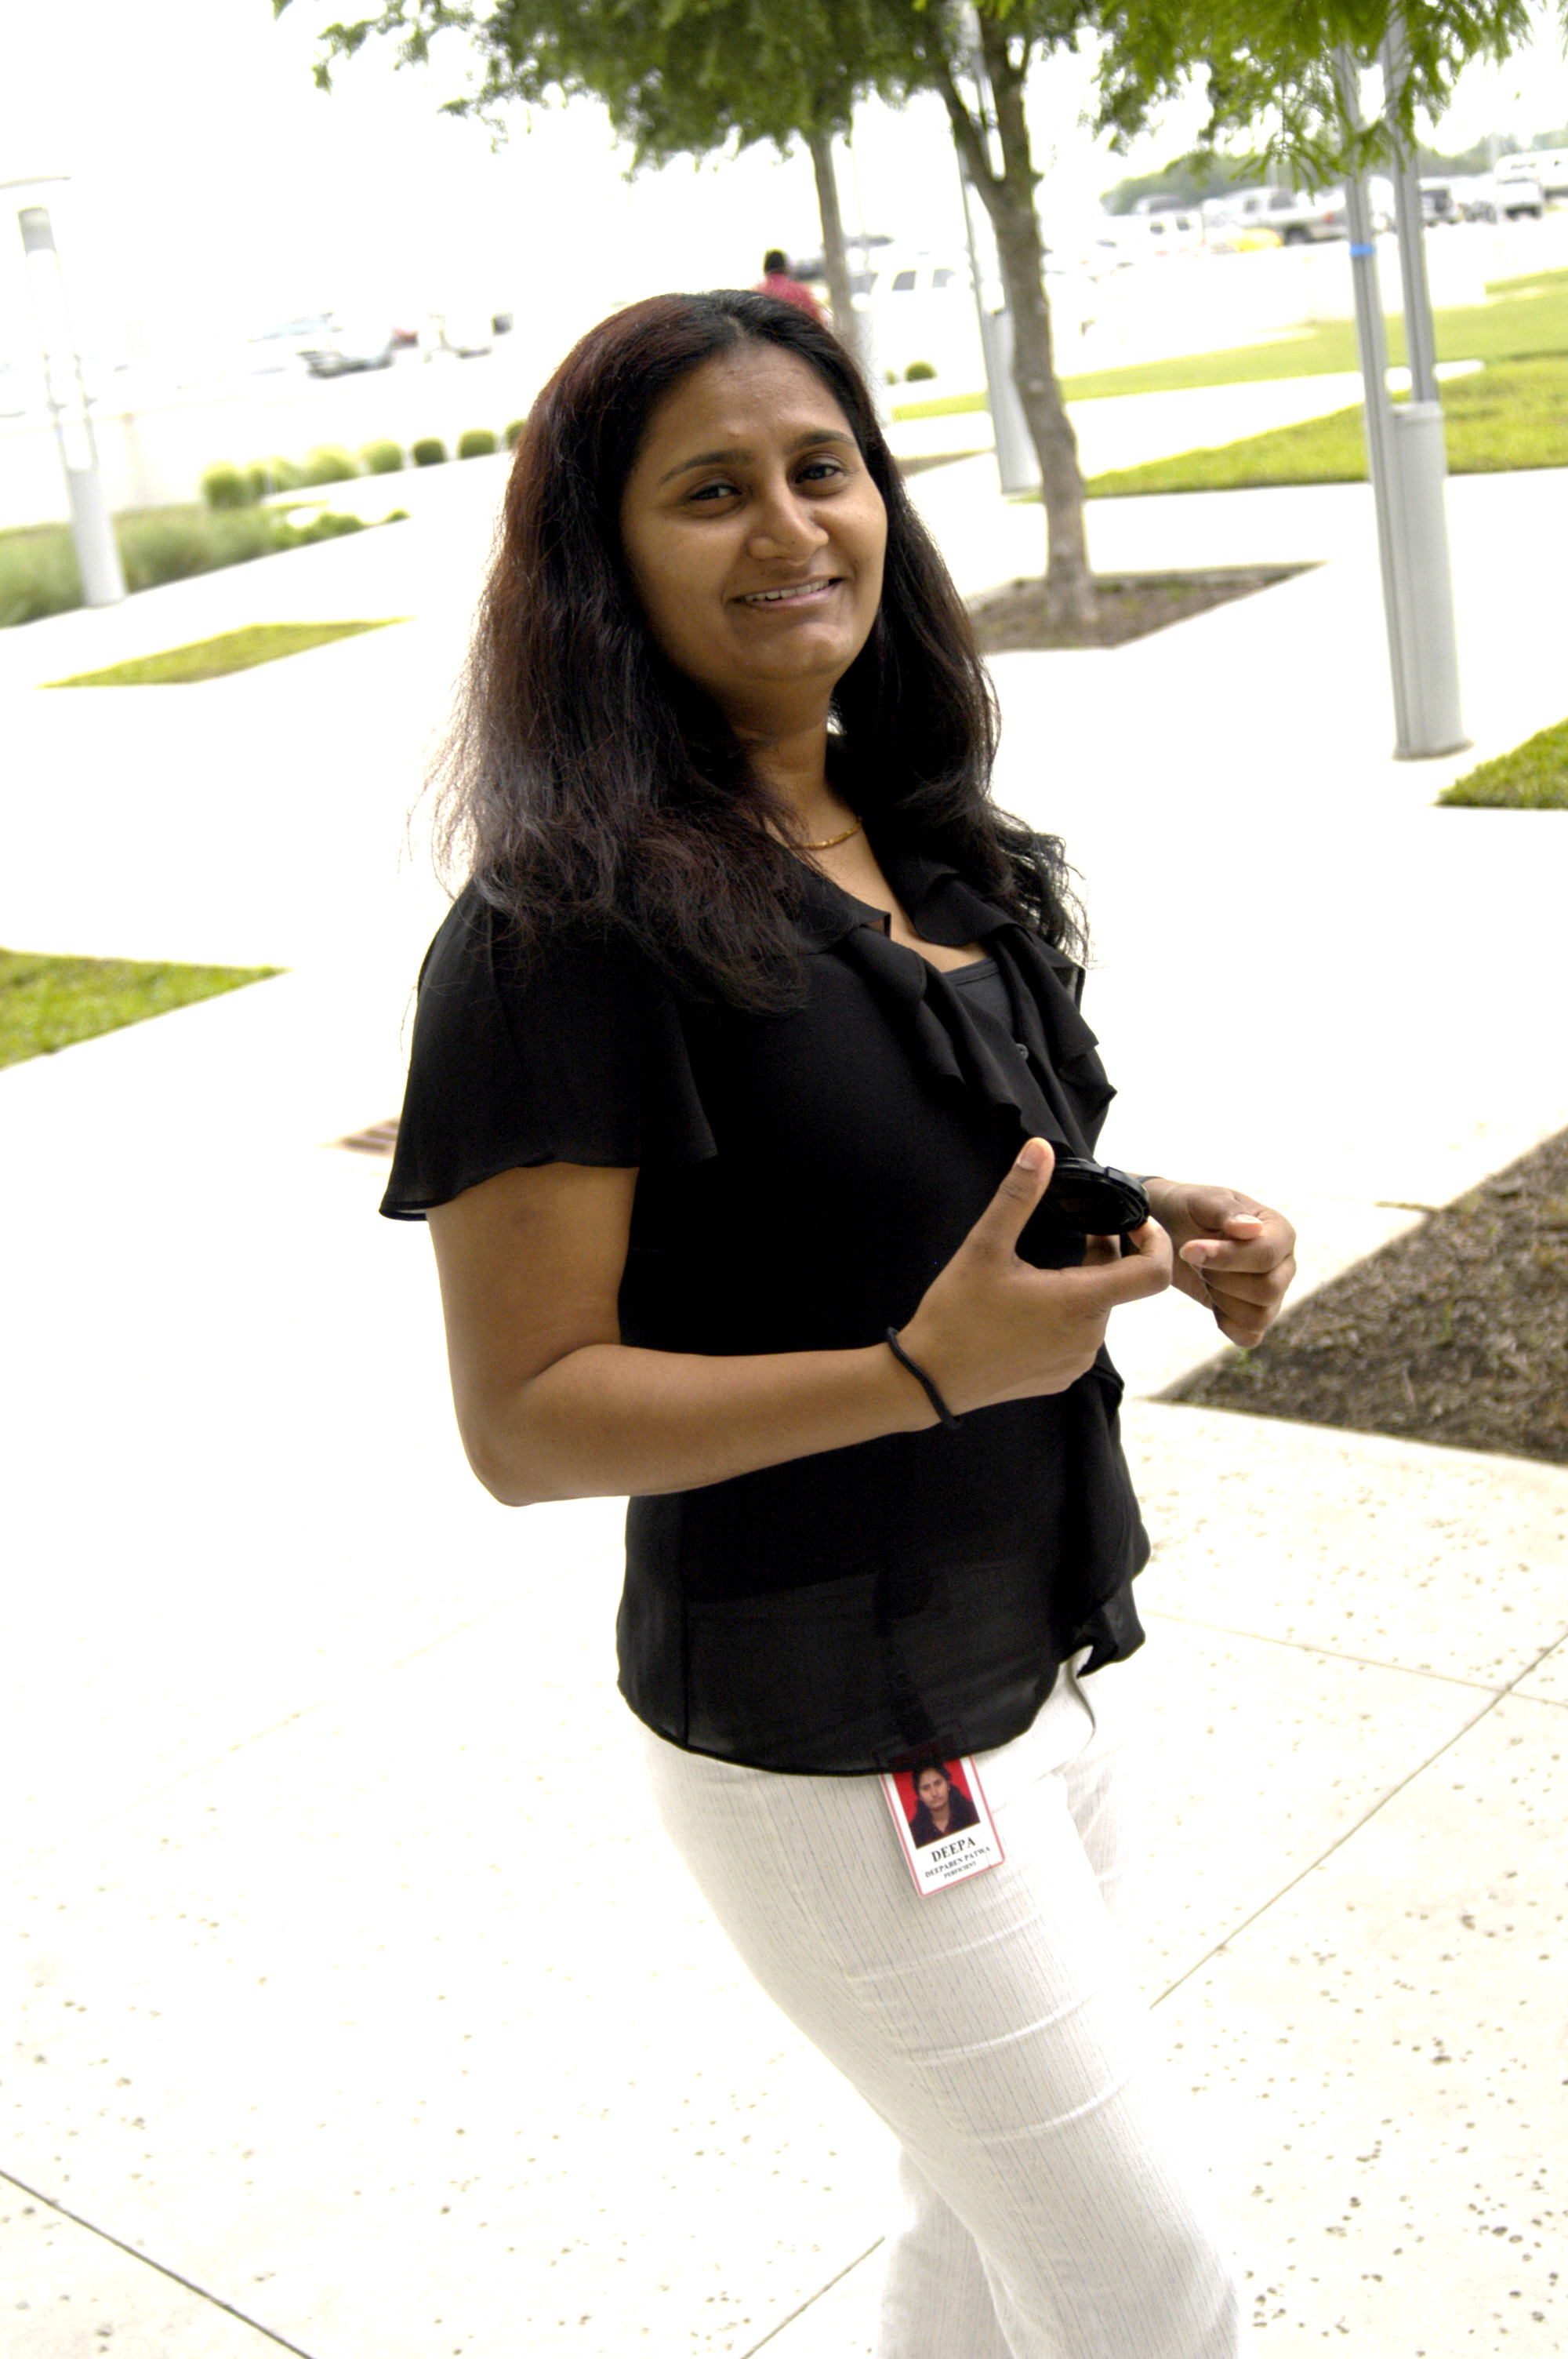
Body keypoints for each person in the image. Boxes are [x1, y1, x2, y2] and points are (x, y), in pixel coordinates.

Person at [381, 287, 1298, 2358]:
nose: (792, 527)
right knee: (1153, 2289)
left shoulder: (938, 847)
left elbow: (938, 1184)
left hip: (1034, 1655)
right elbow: (525, 1416)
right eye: (710, 491)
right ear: (603, 564)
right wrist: (913, 1378)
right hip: (835, 1733)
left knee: (975, 2244)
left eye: (824, 469)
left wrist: (1162, 1221)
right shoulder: (559, 930)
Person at [907, 1762, 981, 1848]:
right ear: (919, 1796)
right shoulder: (913, 1833)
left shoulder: (974, 1813)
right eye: (926, 1788)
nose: (934, 1793)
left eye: (938, 1783)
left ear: (948, 1784)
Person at [756, 246, 824, 322]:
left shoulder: (757, 293)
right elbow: (816, 321)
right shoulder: (800, 291)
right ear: (785, 267)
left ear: (765, 268)